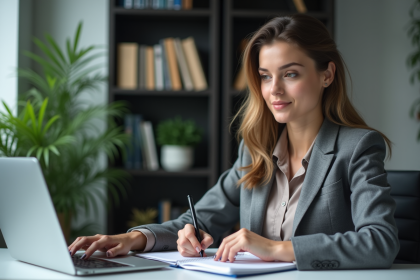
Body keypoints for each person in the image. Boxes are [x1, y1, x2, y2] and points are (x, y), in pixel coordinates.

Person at [68, 14, 399, 270]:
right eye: (266, 76)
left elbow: (380, 242)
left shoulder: (358, 147)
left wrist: (276, 249)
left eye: (291, 74)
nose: (274, 90)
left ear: (327, 75)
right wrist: (132, 239)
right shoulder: (255, 149)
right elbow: (195, 222)